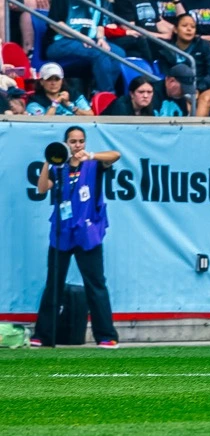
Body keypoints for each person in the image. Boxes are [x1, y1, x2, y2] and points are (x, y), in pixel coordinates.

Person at [31, 126, 122, 348]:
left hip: (87, 232)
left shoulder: (94, 164)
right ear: (66, 144)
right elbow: (42, 189)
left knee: (95, 284)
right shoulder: (58, 167)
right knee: (54, 283)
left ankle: (106, 336)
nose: (77, 145)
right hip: (62, 232)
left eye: (81, 141)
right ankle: (44, 336)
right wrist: (48, 161)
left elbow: (116, 155)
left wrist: (90, 155)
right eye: (73, 141)